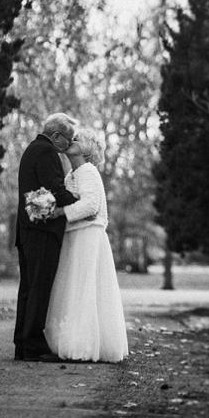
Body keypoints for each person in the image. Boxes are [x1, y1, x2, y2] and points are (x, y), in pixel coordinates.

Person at [44, 127, 129, 363]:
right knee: (73, 288)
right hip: (75, 234)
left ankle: (85, 344)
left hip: (88, 237)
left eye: (78, 139)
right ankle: (70, 339)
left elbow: (91, 205)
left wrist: (61, 211)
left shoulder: (88, 171)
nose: (72, 140)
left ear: (88, 148)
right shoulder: (72, 175)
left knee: (85, 288)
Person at [13, 113, 80, 362]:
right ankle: (32, 344)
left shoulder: (32, 149)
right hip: (42, 232)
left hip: (28, 230)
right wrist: (81, 203)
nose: (69, 145)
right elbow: (56, 189)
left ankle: (22, 344)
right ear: (56, 136)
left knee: (29, 289)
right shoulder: (46, 152)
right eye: (68, 139)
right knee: (39, 289)